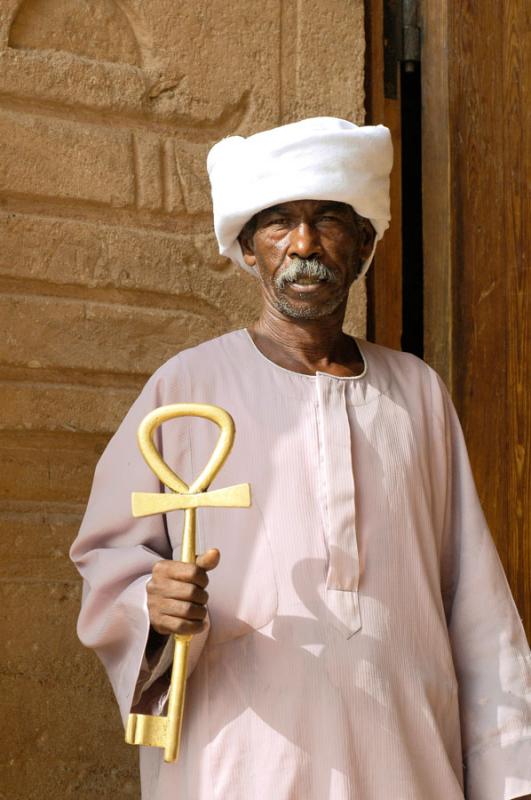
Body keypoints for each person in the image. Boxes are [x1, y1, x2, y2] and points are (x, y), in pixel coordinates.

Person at [71, 117, 531, 800]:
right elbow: (111, 565)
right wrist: (153, 606)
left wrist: (507, 773)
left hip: (406, 755)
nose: (304, 244)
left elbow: (475, 602)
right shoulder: (186, 388)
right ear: (247, 249)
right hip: (241, 756)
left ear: (365, 244)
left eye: (329, 220)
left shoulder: (416, 393)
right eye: (278, 222)